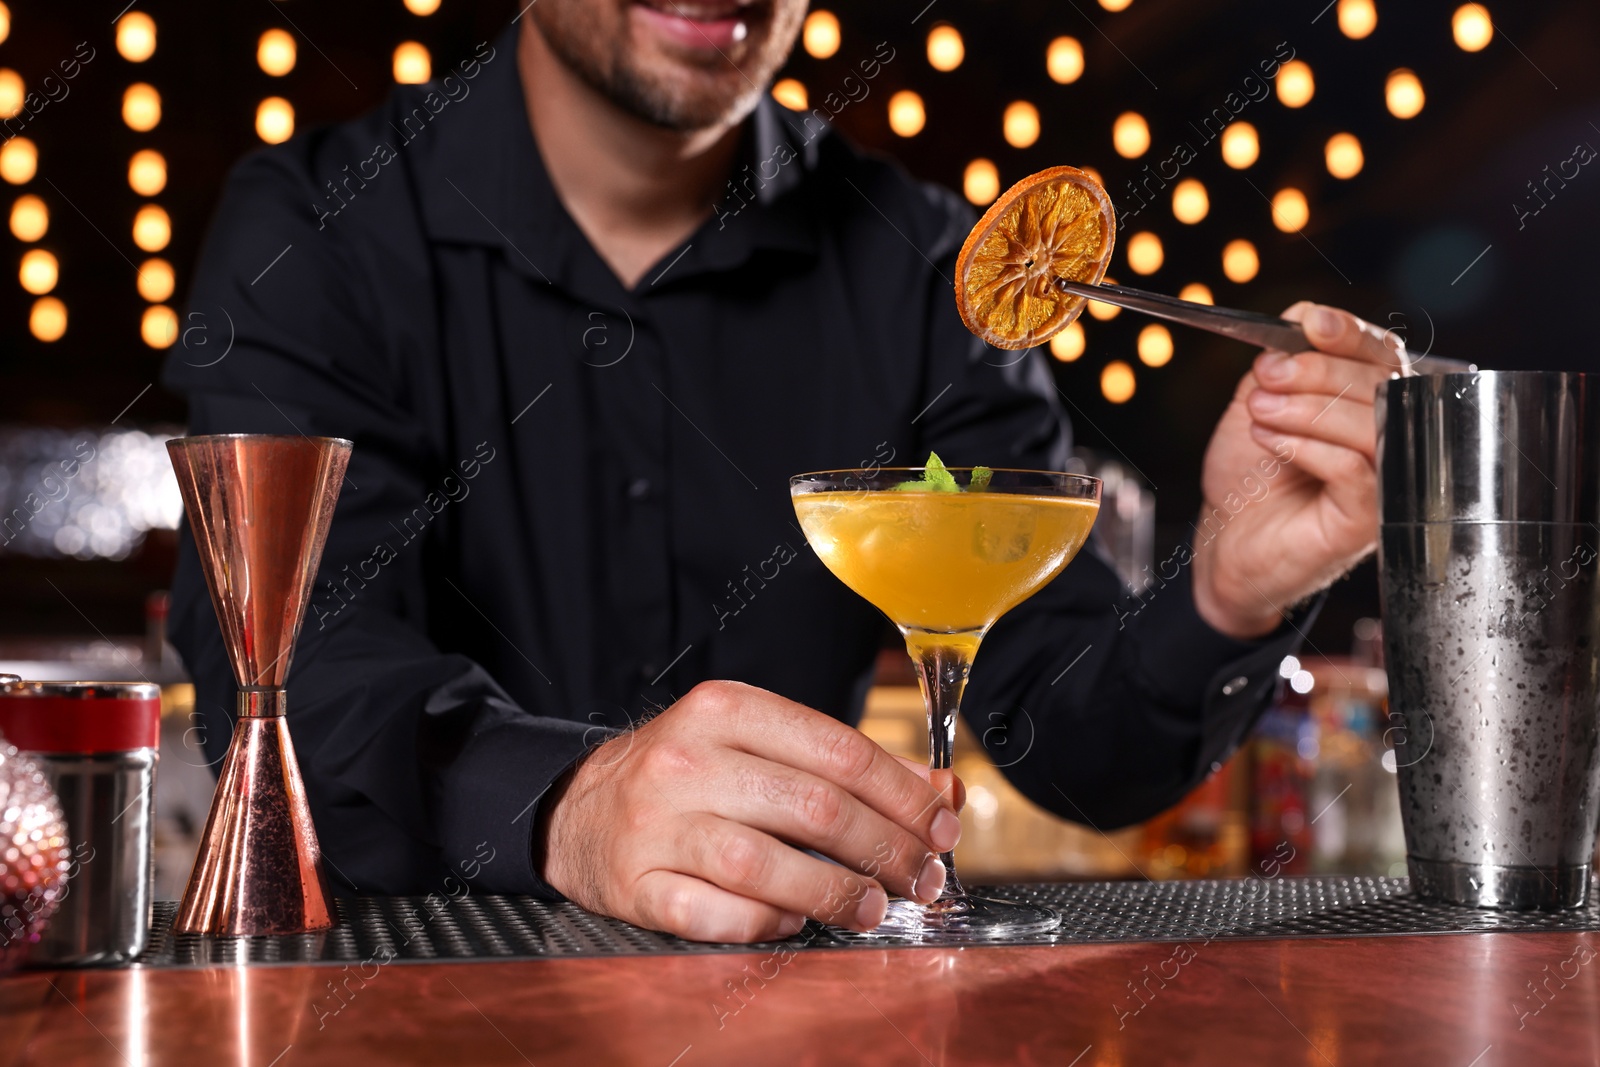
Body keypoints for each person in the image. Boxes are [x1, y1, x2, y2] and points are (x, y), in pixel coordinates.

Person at [163, 0, 1402, 942]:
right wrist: (565, 800)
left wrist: (1232, 585)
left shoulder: (922, 268)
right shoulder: (319, 230)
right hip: (411, 999)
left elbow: (1066, 734)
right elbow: (283, 674)